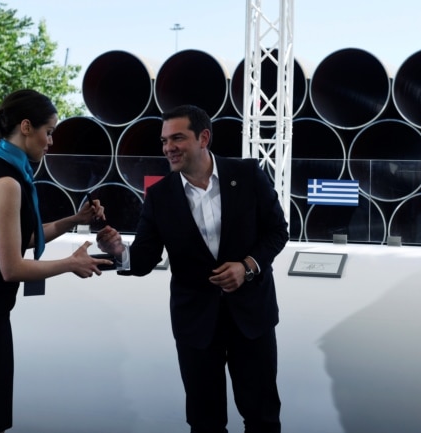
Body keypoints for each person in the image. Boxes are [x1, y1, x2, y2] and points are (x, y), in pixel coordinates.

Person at [97, 104, 289, 433]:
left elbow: (277, 232)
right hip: (196, 326)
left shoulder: (247, 175)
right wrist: (118, 251)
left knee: (262, 418)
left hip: (252, 318)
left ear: (203, 138)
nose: (168, 148)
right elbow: (143, 258)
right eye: (164, 141)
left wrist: (248, 267)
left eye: (177, 138)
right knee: (204, 422)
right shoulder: (159, 196)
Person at [0, 89, 113, 433]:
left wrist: (73, 220)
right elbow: (12, 268)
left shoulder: (6, 170)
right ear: (26, 127)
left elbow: (26, 238)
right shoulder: (7, 181)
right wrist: (71, 263)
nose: (50, 142)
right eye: (49, 132)